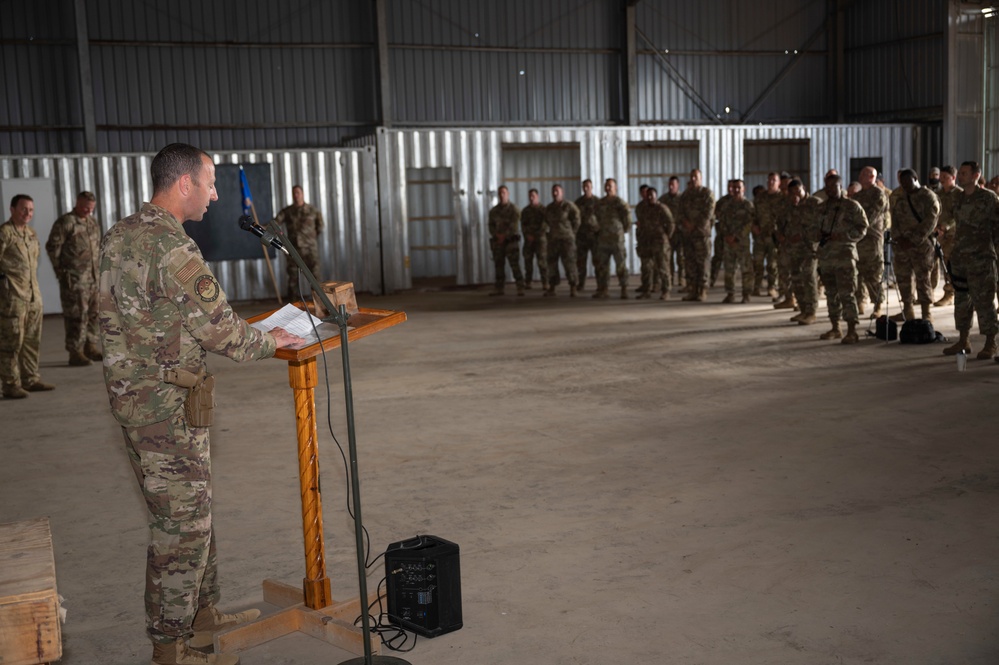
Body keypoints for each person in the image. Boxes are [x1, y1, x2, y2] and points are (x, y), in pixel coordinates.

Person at [98, 143, 300, 665]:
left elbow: (113, 319)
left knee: (193, 515)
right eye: (209, 183)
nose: (214, 195)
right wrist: (275, 338)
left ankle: (202, 616)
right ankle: (170, 647)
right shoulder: (173, 249)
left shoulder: (119, 235)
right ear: (183, 183)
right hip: (166, 410)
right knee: (181, 528)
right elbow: (225, 335)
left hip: (136, 401)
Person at [943, 161, 999, 360]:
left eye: (965, 173)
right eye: (961, 173)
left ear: (976, 175)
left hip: (981, 258)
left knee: (984, 302)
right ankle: (963, 340)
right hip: (960, 258)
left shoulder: (988, 198)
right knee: (961, 301)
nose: (961, 176)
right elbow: (952, 220)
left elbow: (996, 228)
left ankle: (990, 342)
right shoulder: (957, 197)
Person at [0, 194, 55, 399]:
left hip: (33, 297)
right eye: (23, 209)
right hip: (12, 300)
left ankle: (30, 379)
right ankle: (10, 384)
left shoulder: (31, 233)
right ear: (12, 209)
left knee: (32, 341)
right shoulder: (5, 233)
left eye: (31, 210)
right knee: (11, 343)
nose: (27, 213)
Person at [46, 190, 103, 366]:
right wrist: (61, 273)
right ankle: (75, 351)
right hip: (75, 281)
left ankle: (90, 346)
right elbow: (52, 247)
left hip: (93, 279)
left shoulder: (92, 223)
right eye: (85, 207)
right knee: (77, 316)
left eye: (91, 208)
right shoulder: (66, 222)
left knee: (94, 314)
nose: (88, 211)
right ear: (77, 203)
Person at [815, 173, 869, 344]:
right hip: (826, 257)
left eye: (834, 186)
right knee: (831, 294)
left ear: (841, 187)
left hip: (845, 256)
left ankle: (852, 330)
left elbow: (862, 227)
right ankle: (835, 327)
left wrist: (843, 236)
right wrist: (817, 235)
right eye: (827, 187)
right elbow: (811, 228)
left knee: (847, 294)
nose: (830, 190)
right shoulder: (821, 208)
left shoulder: (852, 206)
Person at [889, 168, 940, 322]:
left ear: (916, 178)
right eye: (902, 183)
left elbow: (931, 221)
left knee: (923, 279)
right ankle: (908, 310)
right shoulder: (901, 199)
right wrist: (898, 239)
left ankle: (926, 314)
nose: (904, 185)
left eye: (907, 181)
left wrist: (914, 239)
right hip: (903, 247)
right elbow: (895, 221)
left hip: (922, 246)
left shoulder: (928, 196)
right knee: (903, 279)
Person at [777, 180, 820, 324]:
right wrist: (781, 235)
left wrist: (803, 235)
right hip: (792, 249)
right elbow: (780, 222)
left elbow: (821, 225)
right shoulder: (788, 205)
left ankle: (812, 312)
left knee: (808, 277)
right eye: (792, 192)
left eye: (798, 191)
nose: (795, 195)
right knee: (796, 279)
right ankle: (803, 310)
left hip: (809, 248)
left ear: (804, 189)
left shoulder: (815, 203)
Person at [852, 166, 890, 318]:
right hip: (858, 240)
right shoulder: (858, 196)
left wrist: (857, 227)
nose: (861, 176)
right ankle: (860, 301)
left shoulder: (878, 194)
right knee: (859, 273)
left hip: (872, 239)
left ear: (872, 177)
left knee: (874, 273)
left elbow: (870, 216)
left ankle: (878, 305)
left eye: (865, 174)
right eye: (861, 173)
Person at [275, 185, 324, 301]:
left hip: (310, 250)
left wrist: (309, 239)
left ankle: (319, 303)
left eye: (298, 193)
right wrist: (258, 227)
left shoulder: (313, 211)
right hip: (293, 250)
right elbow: (275, 223)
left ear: (302, 194)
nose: (296, 195)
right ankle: (293, 305)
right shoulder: (287, 212)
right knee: (293, 278)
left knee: (315, 277)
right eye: (294, 193)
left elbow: (320, 227)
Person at [714, 179, 755, 303]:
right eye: (735, 187)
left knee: (746, 269)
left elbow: (750, 223)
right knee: (729, 269)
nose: (736, 190)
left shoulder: (748, 205)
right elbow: (721, 222)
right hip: (728, 242)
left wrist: (736, 236)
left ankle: (746, 294)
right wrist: (726, 235)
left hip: (741, 243)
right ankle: (730, 294)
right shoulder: (726, 205)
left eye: (739, 187)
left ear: (744, 189)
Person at [677, 168, 715, 301]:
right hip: (688, 234)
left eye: (696, 177)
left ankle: (702, 290)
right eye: (691, 177)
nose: (693, 179)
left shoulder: (706, 194)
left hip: (701, 234)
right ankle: (692, 290)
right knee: (690, 262)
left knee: (703, 263)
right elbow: (680, 212)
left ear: (700, 178)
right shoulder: (685, 195)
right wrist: (686, 223)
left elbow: (708, 213)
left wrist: (695, 224)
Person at [593, 178, 632, 299]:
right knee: (602, 266)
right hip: (603, 239)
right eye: (607, 186)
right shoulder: (600, 203)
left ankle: (624, 289)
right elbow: (595, 218)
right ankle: (603, 289)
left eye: (611, 186)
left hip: (616, 239)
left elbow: (628, 220)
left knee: (620, 265)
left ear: (616, 188)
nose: (608, 188)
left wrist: (622, 231)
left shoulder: (620, 203)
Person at [634, 186, 674, 300]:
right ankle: (646, 290)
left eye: (652, 195)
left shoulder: (662, 208)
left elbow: (671, 223)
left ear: (656, 196)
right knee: (646, 268)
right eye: (648, 195)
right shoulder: (643, 209)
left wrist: (666, 236)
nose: (650, 197)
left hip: (660, 242)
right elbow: (640, 224)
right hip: (647, 242)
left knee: (662, 267)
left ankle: (666, 291)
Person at [543, 184, 580, 297]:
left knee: (570, 264)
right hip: (553, 240)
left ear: (562, 192)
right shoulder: (549, 208)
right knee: (552, 264)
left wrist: (571, 233)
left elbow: (577, 220)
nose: (555, 193)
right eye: (553, 191)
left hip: (566, 240)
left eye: (557, 191)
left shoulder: (569, 206)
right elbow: (545, 222)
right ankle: (552, 287)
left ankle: (573, 287)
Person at [487, 186, 525, 296]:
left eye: (503, 192)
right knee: (499, 266)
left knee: (515, 265)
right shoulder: (494, 211)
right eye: (500, 193)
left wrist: (504, 235)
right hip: (498, 243)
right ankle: (499, 288)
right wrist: (496, 235)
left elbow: (514, 226)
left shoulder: (514, 209)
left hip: (510, 242)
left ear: (508, 194)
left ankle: (520, 287)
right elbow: (491, 226)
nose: (501, 195)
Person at [932, 165, 962, 307]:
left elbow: (959, 216)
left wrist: (946, 226)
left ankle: (949, 294)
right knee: (936, 263)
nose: (942, 180)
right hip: (938, 234)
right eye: (941, 177)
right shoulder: (938, 194)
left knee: (949, 264)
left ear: (953, 178)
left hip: (953, 235)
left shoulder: (959, 194)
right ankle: (930, 292)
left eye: (945, 177)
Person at [752, 172, 783, 300]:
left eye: (774, 180)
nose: (771, 182)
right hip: (760, 236)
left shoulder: (782, 198)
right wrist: (754, 226)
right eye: (769, 180)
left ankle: (772, 287)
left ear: (779, 183)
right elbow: (753, 213)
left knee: (772, 264)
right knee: (757, 262)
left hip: (774, 236)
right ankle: (757, 286)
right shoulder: (760, 197)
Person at [658, 176, 684, 290]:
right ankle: (670, 279)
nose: (671, 186)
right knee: (668, 258)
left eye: (673, 184)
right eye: (669, 184)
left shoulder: (683, 199)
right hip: (669, 233)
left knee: (681, 258)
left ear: (678, 185)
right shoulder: (663, 199)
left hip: (681, 232)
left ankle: (682, 279)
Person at [574, 179, 600, 291]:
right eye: (584, 186)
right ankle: (581, 283)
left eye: (588, 186)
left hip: (594, 235)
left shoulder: (598, 202)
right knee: (580, 262)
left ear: (592, 187)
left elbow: (602, 218)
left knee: (598, 262)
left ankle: (600, 284)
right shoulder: (578, 202)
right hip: (581, 236)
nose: (586, 188)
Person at [520, 188, 548, 290]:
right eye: (530, 196)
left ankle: (545, 282)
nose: (531, 198)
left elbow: (545, 225)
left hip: (540, 240)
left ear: (537, 196)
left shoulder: (543, 210)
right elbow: (523, 225)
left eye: (533, 196)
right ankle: (528, 281)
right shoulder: (525, 211)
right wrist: (527, 235)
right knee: (528, 261)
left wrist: (536, 235)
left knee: (542, 262)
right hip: (529, 240)